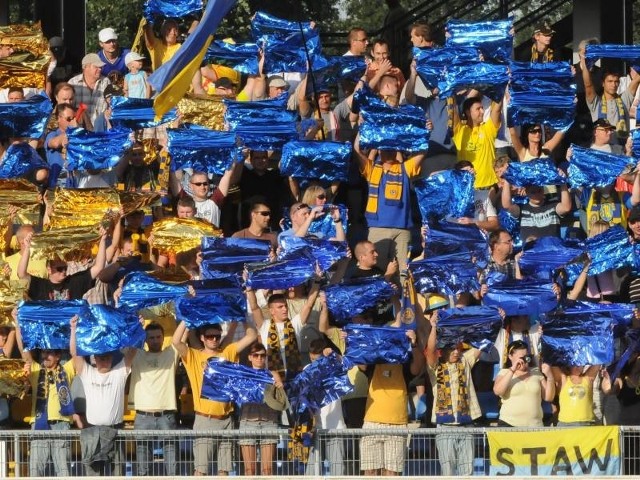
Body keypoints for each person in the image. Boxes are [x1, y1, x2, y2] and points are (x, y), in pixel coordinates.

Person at [171, 320, 256, 476]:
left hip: (227, 419)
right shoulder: (194, 356)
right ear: (202, 338)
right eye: (210, 336)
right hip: (205, 420)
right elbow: (176, 341)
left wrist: (242, 316)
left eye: (217, 336)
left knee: (224, 471)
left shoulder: (228, 352)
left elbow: (252, 336)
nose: (214, 339)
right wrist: (186, 318)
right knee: (200, 471)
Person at [70, 316, 137, 476]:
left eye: (107, 357)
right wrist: (73, 329)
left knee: (118, 475)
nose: (104, 360)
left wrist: (136, 327)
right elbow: (74, 353)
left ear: (112, 358)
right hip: (92, 432)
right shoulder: (87, 373)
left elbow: (132, 351)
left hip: (116, 431)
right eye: (101, 358)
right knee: (93, 476)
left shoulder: (119, 372)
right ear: (95, 359)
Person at [353, 132, 425, 275]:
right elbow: (356, 149)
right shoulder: (372, 169)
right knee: (376, 270)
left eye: (393, 148)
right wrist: (363, 128)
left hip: (402, 229)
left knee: (403, 272)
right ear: (379, 150)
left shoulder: (405, 168)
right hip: (377, 228)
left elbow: (422, 152)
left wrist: (425, 131)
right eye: (386, 148)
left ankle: (403, 298)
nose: (389, 151)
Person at [359, 320, 422, 476]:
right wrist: (357, 340)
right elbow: (361, 364)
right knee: (370, 472)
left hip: (397, 424)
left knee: (391, 474)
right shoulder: (373, 361)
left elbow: (418, 366)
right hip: (372, 422)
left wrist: (414, 343)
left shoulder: (404, 362)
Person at [425, 311, 482, 476]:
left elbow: (481, 344)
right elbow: (429, 351)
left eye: (458, 348)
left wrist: (496, 319)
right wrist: (434, 327)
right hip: (445, 428)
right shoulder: (435, 367)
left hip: (466, 425)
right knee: (447, 473)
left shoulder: (465, 360)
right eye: (452, 349)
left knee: (467, 473)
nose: (456, 352)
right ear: (443, 350)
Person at [129, 322, 179, 476]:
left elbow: (180, 335)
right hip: (143, 416)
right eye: (151, 338)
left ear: (164, 338)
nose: (155, 340)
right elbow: (126, 339)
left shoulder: (171, 354)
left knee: (172, 463)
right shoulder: (136, 354)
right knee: (143, 463)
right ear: (145, 340)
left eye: (158, 337)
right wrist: (135, 323)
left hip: (167, 415)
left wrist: (186, 303)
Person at [18, 227, 109, 301]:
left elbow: (98, 267)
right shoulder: (40, 285)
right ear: (49, 269)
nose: (64, 271)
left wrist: (103, 240)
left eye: (65, 268)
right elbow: (21, 274)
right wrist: (27, 248)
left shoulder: (74, 282)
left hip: (71, 323)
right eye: (60, 269)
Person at [238, 342, 286, 476]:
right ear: (250, 357)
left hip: (268, 421)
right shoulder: (243, 374)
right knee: (249, 470)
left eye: (262, 356)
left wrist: (280, 387)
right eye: (256, 355)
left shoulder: (272, 374)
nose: (259, 359)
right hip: (248, 421)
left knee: (267, 470)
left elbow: (280, 400)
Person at [305, 338, 346, 477]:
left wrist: (335, 356)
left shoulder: (335, 367)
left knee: (338, 473)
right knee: (311, 474)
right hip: (314, 430)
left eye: (317, 360)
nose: (314, 363)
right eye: (311, 359)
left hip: (335, 428)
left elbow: (348, 365)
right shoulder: (307, 370)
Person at [493, 340, 555, 427]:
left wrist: (550, 376)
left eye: (527, 357)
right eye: (521, 357)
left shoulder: (536, 371)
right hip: (509, 424)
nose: (525, 360)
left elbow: (549, 397)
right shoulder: (504, 373)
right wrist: (513, 370)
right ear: (510, 356)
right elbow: (498, 391)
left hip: (535, 425)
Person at [453, 95, 503, 190]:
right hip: (469, 188)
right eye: (478, 109)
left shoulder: (488, 129)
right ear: (468, 112)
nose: (482, 112)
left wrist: (501, 86)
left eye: (482, 108)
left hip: (490, 186)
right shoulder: (459, 131)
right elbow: (453, 109)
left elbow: (496, 109)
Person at [68, 53, 111, 125]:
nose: (100, 69)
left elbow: (111, 105)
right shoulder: (73, 83)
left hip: (100, 130)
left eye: (100, 67)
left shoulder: (106, 82)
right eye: (96, 67)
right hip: (79, 128)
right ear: (86, 67)